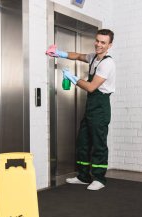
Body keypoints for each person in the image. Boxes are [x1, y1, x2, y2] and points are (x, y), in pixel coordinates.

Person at [46, 29, 115, 191]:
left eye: (103, 42)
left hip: (101, 107)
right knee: (83, 142)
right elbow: (77, 56)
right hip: (91, 108)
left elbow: (91, 87)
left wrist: (74, 78)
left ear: (109, 45)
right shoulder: (93, 58)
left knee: (98, 143)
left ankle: (99, 178)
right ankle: (83, 176)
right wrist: (60, 53)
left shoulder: (107, 63)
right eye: (97, 40)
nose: (99, 44)